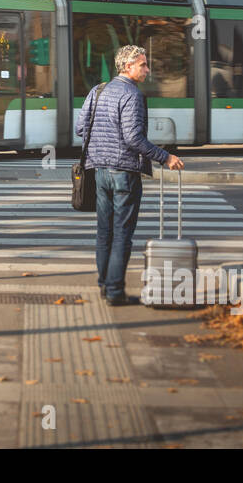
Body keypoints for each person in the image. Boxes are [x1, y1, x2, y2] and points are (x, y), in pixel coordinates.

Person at [76, 44, 185, 307]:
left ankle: (104, 285)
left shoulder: (97, 90)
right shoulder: (132, 95)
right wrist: (166, 157)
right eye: (143, 64)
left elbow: (81, 128)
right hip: (124, 172)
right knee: (122, 234)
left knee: (104, 232)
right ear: (127, 66)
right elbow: (134, 139)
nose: (147, 69)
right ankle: (114, 292)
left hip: (99, 170)